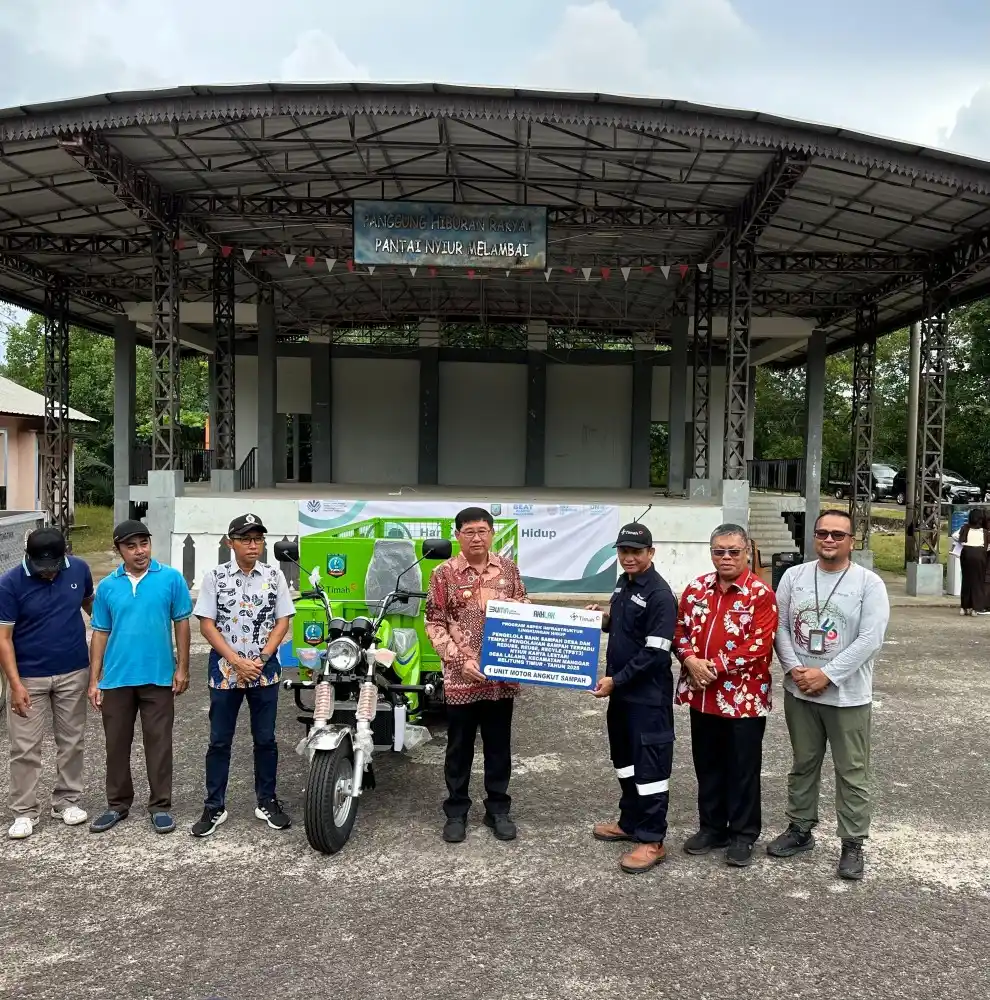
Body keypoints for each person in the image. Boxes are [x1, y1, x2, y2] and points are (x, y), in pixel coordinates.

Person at [768, 509, 890, 880]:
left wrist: (828, 674)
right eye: (823, 533)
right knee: (803, 762)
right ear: (814, 538)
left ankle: (852, 842)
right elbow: (780, 626)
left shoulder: (869, 584)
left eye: (838, 534)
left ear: (852, 540)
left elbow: (871, 639)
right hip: (800, 690)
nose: (830, 540)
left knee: (852, 770)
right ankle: (800, 829)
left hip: (847, 695)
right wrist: (794, 670)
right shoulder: (794, 576)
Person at [673, 524, 778, 867]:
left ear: (747, 551)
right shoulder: (696, 589)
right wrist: (689, 659)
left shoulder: (760, 593)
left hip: (743, 699)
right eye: (720, 551)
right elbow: (679, 629)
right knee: (708, 764)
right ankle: (712, 827)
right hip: (702, 695)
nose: (727, 557)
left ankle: (743, 834)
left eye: (734, 551)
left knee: (742, 768)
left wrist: (711, 666)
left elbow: (758, 645)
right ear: (711, 552)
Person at [425, 506, 528, 844]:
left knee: (499, 746)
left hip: (501, 678)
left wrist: (571, 622)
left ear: (492, 533)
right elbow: (434, 622)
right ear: (457, 535)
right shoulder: (444, 574)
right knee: (459, 747)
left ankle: (497, 809)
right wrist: (458, 660)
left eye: (482, 530)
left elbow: (525, 612)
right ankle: (456, 811)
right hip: (461, 678)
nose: (477, 537)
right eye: (469, 531)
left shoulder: (508, 570)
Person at [191, 513, 295, 837]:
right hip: (226, 672)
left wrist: (262, 657)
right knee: (220, 740)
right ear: (230, 542)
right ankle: (214, 806)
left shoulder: (274, 577)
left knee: (265, 739)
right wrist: (236, 660)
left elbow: (283, 621)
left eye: (258, 539)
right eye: (246, 539)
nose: (253, 545)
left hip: (264, 672)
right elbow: (206, 624)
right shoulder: (215, 577)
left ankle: (266, 800)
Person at [88, 520, 192, 834]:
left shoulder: (171, 579)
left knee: (159, 744)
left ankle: (160, 806)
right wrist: (94, 680)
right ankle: (117, 805)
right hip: (117, 679)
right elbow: (100, 634)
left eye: (143, 543)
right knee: (116, 745)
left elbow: (182, 624)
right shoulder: (107, 586)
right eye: (131, 546)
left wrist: (183, 668)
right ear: (118, 549)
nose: (139, 551)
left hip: (158, 677)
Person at [589, 522, 677, 875]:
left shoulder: (659, 594)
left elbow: (656, 654)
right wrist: (604, 620)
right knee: (624, 761)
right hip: (622, 696)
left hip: (647, 699)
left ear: (650, 554)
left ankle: (652, 838)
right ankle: (630, 822)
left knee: (650, 768)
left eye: (636, 552)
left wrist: (616, 681)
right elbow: (624, 627)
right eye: (623, 551)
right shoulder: (623, 584)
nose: (628, 557)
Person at [0, 527, 94, 839]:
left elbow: (91, 606)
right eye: (42, 570)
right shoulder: (10, 583)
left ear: (64, 556)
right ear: (28, 558)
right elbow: (4, 639)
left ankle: (66, 801)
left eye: (54, 568)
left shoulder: (79, 568)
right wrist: (14, 684)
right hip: (28, 676)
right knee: (25, 746)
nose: (49, 575)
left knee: (72, 740)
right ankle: (24, 811)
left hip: (73, 670)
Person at [951, 507, 988, 616]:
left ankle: (964, 607)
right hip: (980, 555)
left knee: (966, 580)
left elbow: (955, 536)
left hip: (966, 554)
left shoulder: (965, 528)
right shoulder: (984, 532)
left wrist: (962, 542)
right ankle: (975, 608)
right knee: (978, 582)